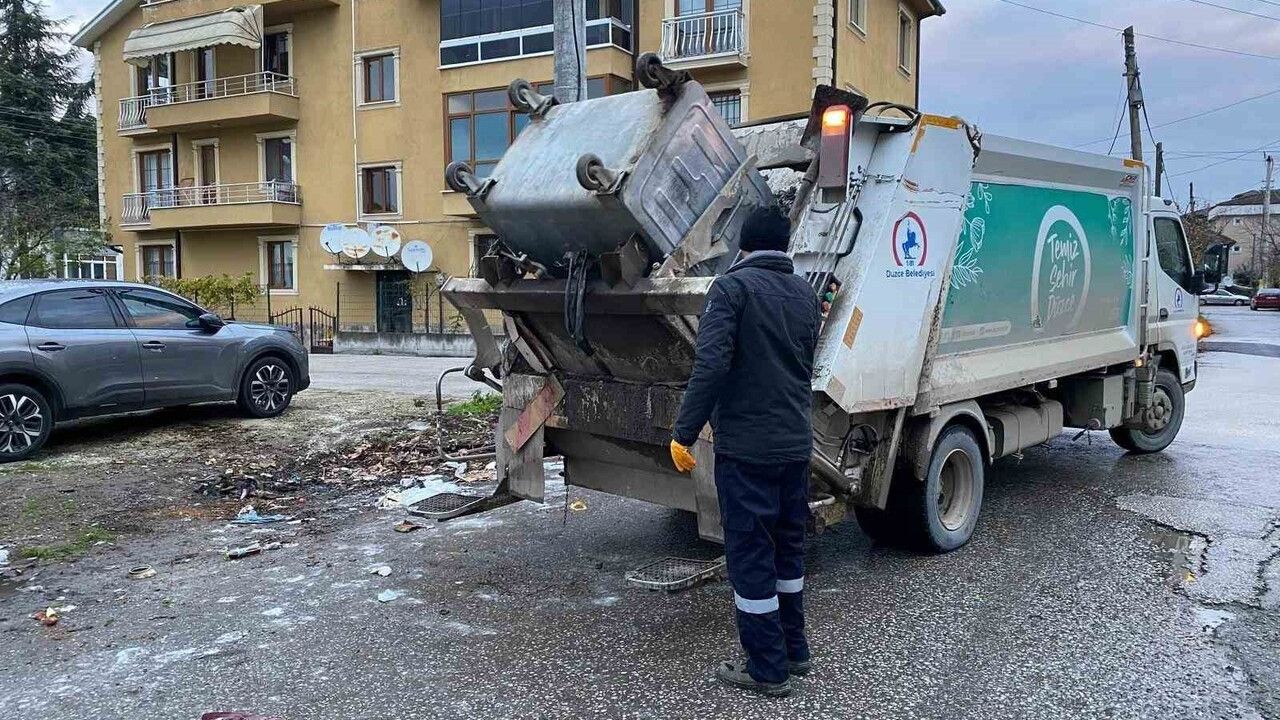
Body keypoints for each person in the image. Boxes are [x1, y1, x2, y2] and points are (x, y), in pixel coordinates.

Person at [669, 205, 821, 698]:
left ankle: (766, 669)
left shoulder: (731, 290)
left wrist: (684, 432)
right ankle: (794, 651)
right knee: (787, 550)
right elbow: (802, 367)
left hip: (748, 451)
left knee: (751, 554)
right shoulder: (806, 295)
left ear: (744, 245)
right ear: (785, 245)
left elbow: (711, 365)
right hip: (796, 446)